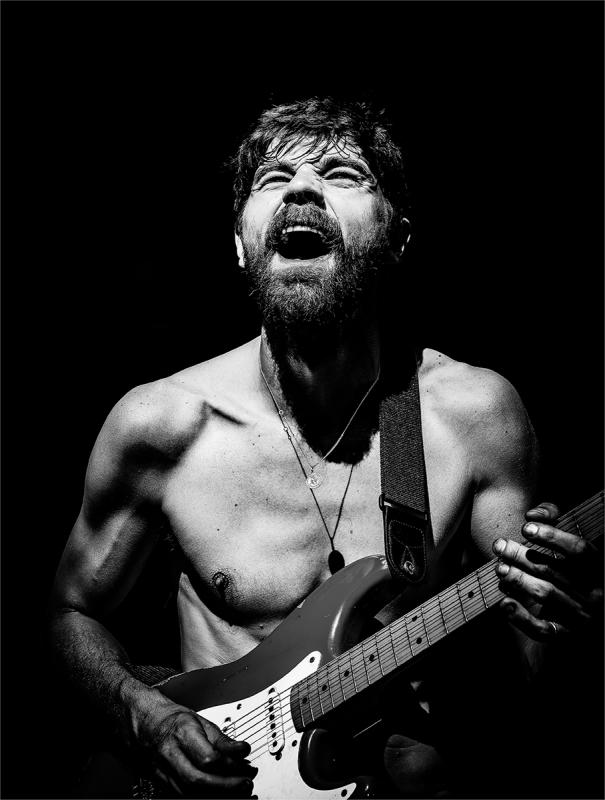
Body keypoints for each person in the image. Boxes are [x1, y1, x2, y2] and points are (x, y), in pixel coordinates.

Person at [49, 97, 602, 798]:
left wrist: (556, 620)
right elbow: (68, 615)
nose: (301, 188)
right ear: (241, 244)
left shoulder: (475, 417)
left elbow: (523, 677)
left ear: (397, 238)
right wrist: (144, 716)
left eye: (342, 173)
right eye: (272, 178)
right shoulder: (162, 425)